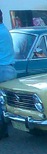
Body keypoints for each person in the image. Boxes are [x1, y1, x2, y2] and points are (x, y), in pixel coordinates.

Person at [0, 8, 16, 138]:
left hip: (2, 68)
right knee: (5, 102)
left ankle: (2, 131)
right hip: (8, 68)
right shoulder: (4, 29)